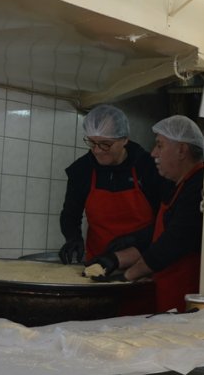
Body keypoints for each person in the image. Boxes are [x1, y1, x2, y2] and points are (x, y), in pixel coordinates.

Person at [88, 116, 204, 313]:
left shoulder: (198, 186)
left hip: (185, 297)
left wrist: (126, 277)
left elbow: (172, 243)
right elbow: (158, 236)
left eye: (159, 145)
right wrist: (116, 259)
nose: (153, 153)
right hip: (167, 290)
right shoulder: (177, 186)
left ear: (181, 150)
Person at [58, 105, 171, 264]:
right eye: (92, 143)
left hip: (144, 261)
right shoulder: (82, 170)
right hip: (98, 262)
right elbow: (70, 215)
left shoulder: (148, 167)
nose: (97, 151)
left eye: (105, 144)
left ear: (124, 139)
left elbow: (166, 219)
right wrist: (73, 238)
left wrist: (136, 239)